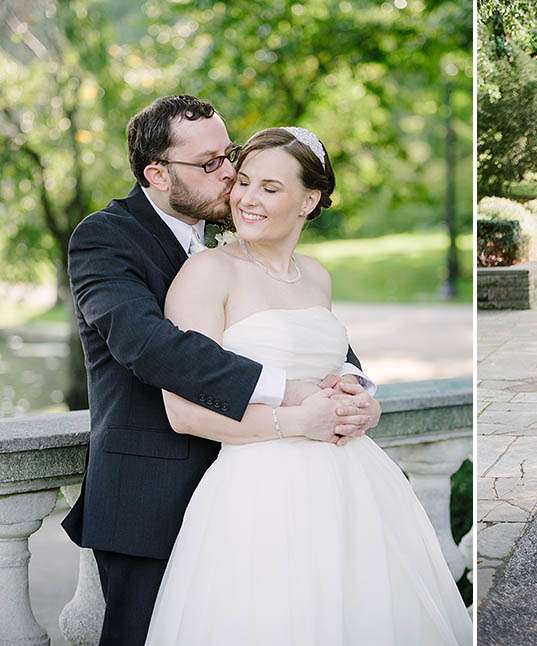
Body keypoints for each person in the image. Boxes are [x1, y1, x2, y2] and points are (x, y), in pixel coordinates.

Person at [64, 95, 380, 645]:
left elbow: (312, 336)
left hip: (258, 493)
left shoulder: (240, 241)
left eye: (229, 154)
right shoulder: (105, 238)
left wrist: (355, 389)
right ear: (157, 173)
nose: (231, 174)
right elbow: (149, 346)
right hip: (150, 497)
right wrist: (290, 393)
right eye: (210, 164)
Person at [144, 126, 472, 645]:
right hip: (259, 493)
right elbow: (184, 412)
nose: (247, 200)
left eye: (270, 189)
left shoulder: (317, 277)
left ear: (309, 199)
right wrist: (297, 420)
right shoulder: (207, 274)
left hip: (354, 486)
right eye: (244, 182)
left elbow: (332, 368)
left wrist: (363, 406)